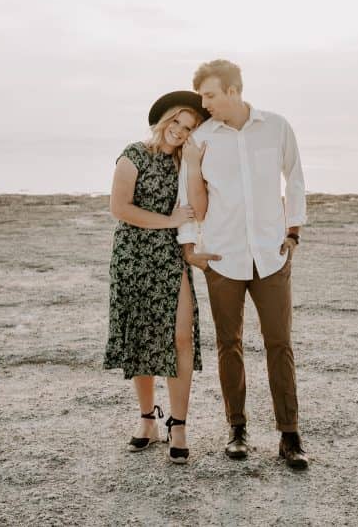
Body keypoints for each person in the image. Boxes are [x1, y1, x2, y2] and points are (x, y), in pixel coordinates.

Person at [177, 59, 310, 469]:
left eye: (211, 95)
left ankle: (290, 435)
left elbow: (296, 177)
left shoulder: (276, 126)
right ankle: (237, 430)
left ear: (234, 90)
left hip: (271, 255)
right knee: (228, 345)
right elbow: (188, 191)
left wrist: (293, 232)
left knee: (279, 344)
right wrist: (189, 247)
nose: (205, 103)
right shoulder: (201, 138)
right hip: (222, 256)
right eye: (203, 96)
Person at [103, 90, 219, 464]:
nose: (181, 132)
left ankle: (179, 424)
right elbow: (119, 208)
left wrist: (196, 167)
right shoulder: (133, 154)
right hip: (133, 255)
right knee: (140, 335)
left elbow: (198, 210)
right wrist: (169, 221)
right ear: (164, 119)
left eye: (189, 128)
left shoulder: (186, 163)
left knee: (180, 337)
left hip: (171, 257)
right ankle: (147, 419)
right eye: (177, 123)